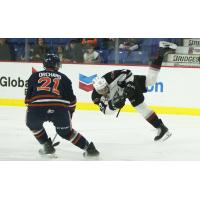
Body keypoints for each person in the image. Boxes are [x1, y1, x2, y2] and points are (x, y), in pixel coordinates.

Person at [91, 41, 177, 142]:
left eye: (105, 88)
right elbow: (105, 111)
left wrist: (129, 85)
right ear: (97, 90)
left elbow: (127, 72)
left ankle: (161, 127)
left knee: (140, 106)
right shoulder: (96, 97)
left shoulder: (110, 77)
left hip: (127, 84)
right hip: (122, 92)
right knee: (150, 81)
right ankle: (161, 53)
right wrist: (114, 105)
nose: (104, 91)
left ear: (106, 84)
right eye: (101, 91)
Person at [25, 53, 99, 157]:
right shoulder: (64, 78)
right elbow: (72, 100)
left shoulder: (34, 76)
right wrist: (70, 112)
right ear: (56, 65)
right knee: (67, 133)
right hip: (59, 109)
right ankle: (90, 150)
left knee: (33, 125)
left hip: (36, 108)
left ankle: (46, 145)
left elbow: (28, 99)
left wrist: (34, 109)